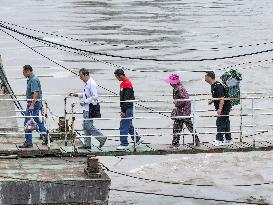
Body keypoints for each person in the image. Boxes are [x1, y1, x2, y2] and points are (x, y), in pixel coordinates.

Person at [69, 68, 106, 149]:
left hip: (90, 108)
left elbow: (95, 96)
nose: (80, 78)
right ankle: (87, 144)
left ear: (86, 75)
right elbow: (85, 94)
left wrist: (85, 101)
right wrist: (76, 94)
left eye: (81, 76)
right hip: (86, 108)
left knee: (88, 126)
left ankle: (101, 138)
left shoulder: (91, 83)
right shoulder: (87, 83)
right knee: (85, 126)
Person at [165, 73, 200, 148]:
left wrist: (176, 103)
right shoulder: (177, 88)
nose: (170, 84)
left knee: (180, 127)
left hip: (183, 112)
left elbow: (184, 100)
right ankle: (195, 141)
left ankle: (176, 143)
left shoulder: (180, 89)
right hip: (182, 111)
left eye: (171, 82)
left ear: (173, 82)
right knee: (182, 127)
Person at [19, 65, 50, 148]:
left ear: (28, 71)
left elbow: (36, 92)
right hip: (34, 103)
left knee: (28, 122)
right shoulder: (31, 79)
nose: (23, 74)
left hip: (33, 104)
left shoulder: (33, 80)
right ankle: (47, 137)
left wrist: (32, 105)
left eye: (24, 72)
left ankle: (29, 142)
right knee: (37, 121)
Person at [114, 69, 142, 150]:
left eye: (117, 77)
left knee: (123, 126)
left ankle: (124, 143)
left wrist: (123, 111)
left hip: (127, 108)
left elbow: (126, 99)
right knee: (128, 125)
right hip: (127, 108)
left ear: (121, 75)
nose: (117, 79)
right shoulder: (123, 83)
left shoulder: (127, 84)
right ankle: (137, 139)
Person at [204, 71, 233, 146]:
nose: (204, 78)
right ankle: (228, 139)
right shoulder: (213, 85)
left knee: (220, 123)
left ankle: (219, 140)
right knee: (226, 123)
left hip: (224, 107)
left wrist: (220, 109)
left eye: (205, 76)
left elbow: (222, 98)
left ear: (209, 77)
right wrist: (212, 100)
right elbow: (216, 96)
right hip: (223, 106)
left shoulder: (218, 85)